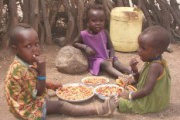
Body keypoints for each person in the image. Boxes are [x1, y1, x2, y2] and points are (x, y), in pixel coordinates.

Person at [4, 23, 119, 120]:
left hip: (26, 99)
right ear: (15, 49)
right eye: (28, 46)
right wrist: (42, 71)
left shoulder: (24, 61)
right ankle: (99, 109)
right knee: (61, 105)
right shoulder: (20, 71)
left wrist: (50, 85)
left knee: (48, 97)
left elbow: (32, 81)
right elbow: (37, 93)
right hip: (25, 108)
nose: (35, 49)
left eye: (36, 44)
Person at [118, 25, 171, 114]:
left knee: (117, 101)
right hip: (156, 100)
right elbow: (140, 80)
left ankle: (94, 109)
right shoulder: (152, 60)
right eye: (139, 46)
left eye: (143, 48)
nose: (138, 50)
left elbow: (147, 90)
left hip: (152, 103)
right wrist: (134, 70)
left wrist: (129, 95)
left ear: (157, 51)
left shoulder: (155, 66)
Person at [73, 4, 131, 78]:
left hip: (107, 57)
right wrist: (85, 47)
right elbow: (74, 43)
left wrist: (112, 58)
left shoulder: (104, 33)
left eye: (101, 20)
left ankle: (132, 73)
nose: (98, 23)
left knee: (117, 63)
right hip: (96, 61)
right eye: (94, 20)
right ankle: (124, 77)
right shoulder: (84, 34)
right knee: (104, 64)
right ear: (87, 22)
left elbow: (111, 48)